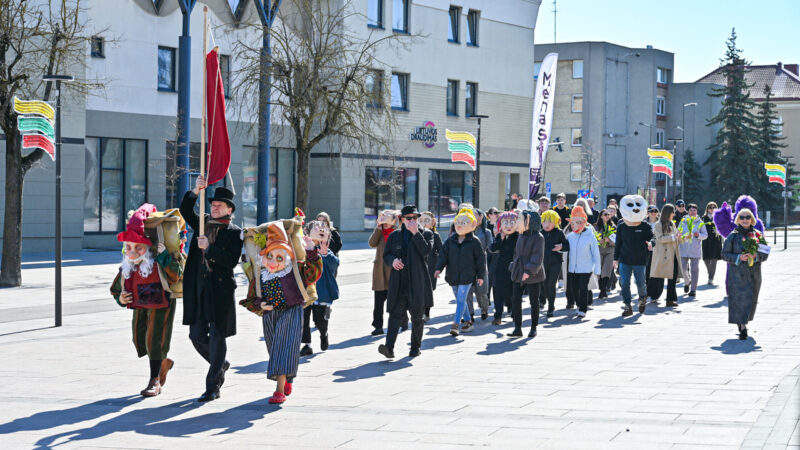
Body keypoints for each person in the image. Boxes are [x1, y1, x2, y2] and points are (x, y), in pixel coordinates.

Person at [241, 222, 321, 404]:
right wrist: (260, 304)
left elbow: (313, 273)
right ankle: (286, 378)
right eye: (270, 256)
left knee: (283, 347)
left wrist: (311, 250)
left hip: (292, 311)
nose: (273, 261)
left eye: (279, 257)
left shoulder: (294, 271)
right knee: (273, 348)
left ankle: (278, 390)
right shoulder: (261, 276)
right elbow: (251, 299)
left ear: (286, 259)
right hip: (270, 315)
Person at [180, 176, 243, 403]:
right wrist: (196, 191)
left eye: (219, 205)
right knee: (195, 335)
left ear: (229, 209)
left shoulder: (235, 232)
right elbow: (185, 210)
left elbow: (231, 261)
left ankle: (213, 386)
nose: (214, 208)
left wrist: (210, 248)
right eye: (213, 204)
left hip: (220, 292)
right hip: (198, 289)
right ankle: (220, 364)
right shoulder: (202, 223)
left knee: (217, 336)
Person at [110, 204, 182, 398]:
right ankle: (163, 362)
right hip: (140, 305)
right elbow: (116, 289)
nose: (132, 252)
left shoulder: (156, 261)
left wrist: (165, 255)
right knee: (139, 338)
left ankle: (154, 380)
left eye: (138, 247)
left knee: (154, 340)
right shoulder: (128, 267)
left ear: (147, 248)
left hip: (161, 303)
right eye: (128, 247)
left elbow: (176, 275)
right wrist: (121, 298)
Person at [378, 205, 434, 359]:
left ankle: (415, 348)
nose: (412, 221)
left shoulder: (426, 234)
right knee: (395, 314)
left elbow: (426, 251)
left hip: (417, 281)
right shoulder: (395, 236)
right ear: (401, 219)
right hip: (399, 282)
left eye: (415, 218)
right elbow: (386, 254)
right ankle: (389, 348)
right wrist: (393, 260)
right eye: (408, 218)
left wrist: (416, 233)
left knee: (417, 317)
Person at [435, 209, 486, 336]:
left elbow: (480, 260)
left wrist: (480, 276)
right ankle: (468, 321)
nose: (459, 225)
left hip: (468, 276)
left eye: (464, 223)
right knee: (460, 300)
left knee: (461, 299)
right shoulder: (450, 241)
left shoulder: (474, 242)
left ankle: (455, 324)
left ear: (473, 225)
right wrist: (438, 268)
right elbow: (443, 256)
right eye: (458, 222)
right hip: (452, 276)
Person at [721, 208, 769, 340]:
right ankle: (743, 326)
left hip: (754, 274)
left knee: (751, 299)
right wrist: (738, 257)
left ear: (752, 219)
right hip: (737, 274)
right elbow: (724, 255)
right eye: (742, 217)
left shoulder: (758, 235)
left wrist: (756, 256)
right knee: (740, 299)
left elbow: (765, 254)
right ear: (738, 220)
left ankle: (742, 320)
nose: (745, 219)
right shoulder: (733, 236)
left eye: (747, 217)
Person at [300, 220, 339, 357]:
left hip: (323, 293)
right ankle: (307, 345)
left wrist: (325, 255)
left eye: (324, 228)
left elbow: (335, 265)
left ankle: (324, 334)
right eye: (316, 227)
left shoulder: (326, 249)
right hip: (306, 291)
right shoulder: (303, 248)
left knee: (320, 320)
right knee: (303, 319)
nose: (321, 229)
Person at [614, 195, 654, 316]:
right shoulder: (621, 226)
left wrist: (652, 243)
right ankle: (627, 306)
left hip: (640, 260)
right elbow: (618, 243)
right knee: (624, 283)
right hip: (624, 260)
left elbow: (653, 237)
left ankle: (642, 299)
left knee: (641, 284)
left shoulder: (645, 226)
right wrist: (615, 259)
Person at [507, 210, 545, 337]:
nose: (517, 222)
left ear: (528, 221)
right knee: (516, 300)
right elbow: (516, 254)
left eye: (519, 219)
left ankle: (533, 327)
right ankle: (518, 328)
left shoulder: (538, 237)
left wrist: (528, 271)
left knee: (534, 301)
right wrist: (513, 266)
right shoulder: (521, 236)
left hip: (533, 274)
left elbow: (537, 257)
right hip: (518, 271)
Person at [566, 206, 601, 318]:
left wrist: (597, 269)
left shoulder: (590, 236)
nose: (576, 225)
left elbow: (596, 253)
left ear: (585, 222)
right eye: (573, 222)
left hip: (586, 268)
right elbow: (565, 248)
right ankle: (578, 304)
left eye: (579, 222)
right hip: (572, 268)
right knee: (574, 288)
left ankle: (583, 309)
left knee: (583, 287)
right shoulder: (570, 236)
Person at [368, 210, 399, 336]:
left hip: (393, 271)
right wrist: (378, 228)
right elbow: (372, 243)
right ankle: (378, 326)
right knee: (378, 302)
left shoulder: (397, 232)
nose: (384, 222)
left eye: (386, 219)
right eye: (382, 218)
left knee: (396, 300)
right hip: (380, 271)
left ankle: (401, 322)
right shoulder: (380, 232)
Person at [650, 204, 686, 307]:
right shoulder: (658, 225)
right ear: (668, 213)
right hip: (663, 255)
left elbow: (677, 239)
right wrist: (673, 237)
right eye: (673, 212)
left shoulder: (672, 224)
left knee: (673, 278)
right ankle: (652, 295)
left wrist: (684, 238)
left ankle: (670, 300)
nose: (674, 214)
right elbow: (660, 239)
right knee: (658, 277)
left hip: (673, 254)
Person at [489, 211, 519, 325]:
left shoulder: (518, 237)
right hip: (501, 268)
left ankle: (514, 313)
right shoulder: (499, 236)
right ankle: (498, 316)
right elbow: (492, 248)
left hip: (515, 268)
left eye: (512, 222)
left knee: (514, 293)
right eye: (505, 223)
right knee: (498, 293)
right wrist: (500, 238)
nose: (509, 226)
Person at [540, 210, 568, 317]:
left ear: (556, 222)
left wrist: (561, 247)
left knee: (551, 284)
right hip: (542, 263)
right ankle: (545, 300)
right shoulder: (540, 233)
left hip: (556, 262)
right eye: (545, 222)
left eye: (550, 222)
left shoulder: (559, 233)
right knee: (544, 285)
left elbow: (567, 246)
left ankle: (551, 307)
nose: (547, 225)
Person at [466, 209, 493, 320]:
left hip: (481, 262)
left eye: (474, 215)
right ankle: (470, 313)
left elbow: (491, 247)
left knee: (481, 290)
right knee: (467, 290)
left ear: (481, 217)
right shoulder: (466, 231)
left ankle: (484, 308)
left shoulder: (486, 232)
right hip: (467, 263)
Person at [677, 203, 708, 297]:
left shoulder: (700, 222)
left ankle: (693, 289)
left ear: (697, 211)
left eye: (694, 210)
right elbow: (678, 233)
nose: (693, 212)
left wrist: (698, 235)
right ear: (688, 211)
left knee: (694, 270)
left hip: (695, 250)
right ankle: (687, 282)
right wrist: (684, 236)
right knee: (683, 268)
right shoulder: (683, 221)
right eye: (691, 210)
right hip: (683, 249)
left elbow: (705, 235)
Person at [419, 211, 443, 321]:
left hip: (431, 268)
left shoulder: (435, 235)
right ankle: (419, 312)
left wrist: (438, 267)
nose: (423, 223)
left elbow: (441, 252)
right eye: (421, 220)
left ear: (433, 222)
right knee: (419, 290)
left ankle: (426, 313)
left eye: (427, 220)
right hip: (418, 268)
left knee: (427, 291)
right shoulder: (416, 234)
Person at [594, 209, 616, 299]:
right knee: (599, 271)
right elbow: (593, 239)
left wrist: (609, 241)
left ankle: (603, 290)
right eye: (605, 214)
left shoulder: (613, 227)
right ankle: (601, 289)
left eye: (608, 214)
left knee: (606, 270)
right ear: (601, 216)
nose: (607, 215)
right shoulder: (596, 227)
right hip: (599, 251)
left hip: (609, 251)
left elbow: (616, 241)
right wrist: (599, 240)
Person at [645, 205, 664, 303]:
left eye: (655, 211)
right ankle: (648, 292)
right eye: (651, 211)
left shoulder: (661, 223)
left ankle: (656, 294)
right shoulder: (643, 223)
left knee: (658, 273)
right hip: (647, 251)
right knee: (648, 272)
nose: (653, 212)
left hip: (659, 250)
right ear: (647, 212)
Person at [701, 202, 723, 285]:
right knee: (706, 259)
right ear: (707, 209)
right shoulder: (703, 218)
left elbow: (723, 228)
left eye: (714, 207)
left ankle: (711, 278)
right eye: (710, 207)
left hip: (716, 240)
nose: (712, 209)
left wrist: (720, 231)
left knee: (714, 259)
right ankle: (710, 273)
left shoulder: (719, 218)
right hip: (706, 240)